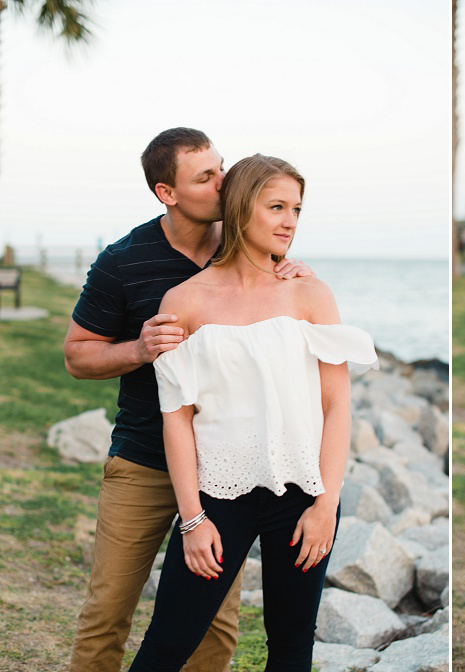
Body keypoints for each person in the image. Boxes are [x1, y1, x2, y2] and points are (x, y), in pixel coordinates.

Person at [64, 128, 311, 672]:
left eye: (221, 168)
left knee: (214, 630)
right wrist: (138, 348)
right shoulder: (124, 261)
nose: (223, 184)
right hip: (146, 460)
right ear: (166, 193)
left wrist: (293, 275)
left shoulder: (251, 245)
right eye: (205, 176)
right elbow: (77, 356)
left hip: (227, 473)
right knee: (109, 610)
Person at [126, 153, 377, 670]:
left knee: (290, 647)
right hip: (217, 499)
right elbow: (177, 417)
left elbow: (336, 404)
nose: (290, 221)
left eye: (298, 210)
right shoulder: (185, 300)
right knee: (167, 644)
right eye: (277, 207)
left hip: (302, 497)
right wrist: (193, 519)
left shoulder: (310, 293)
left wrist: (327, 505)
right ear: (241, 210)